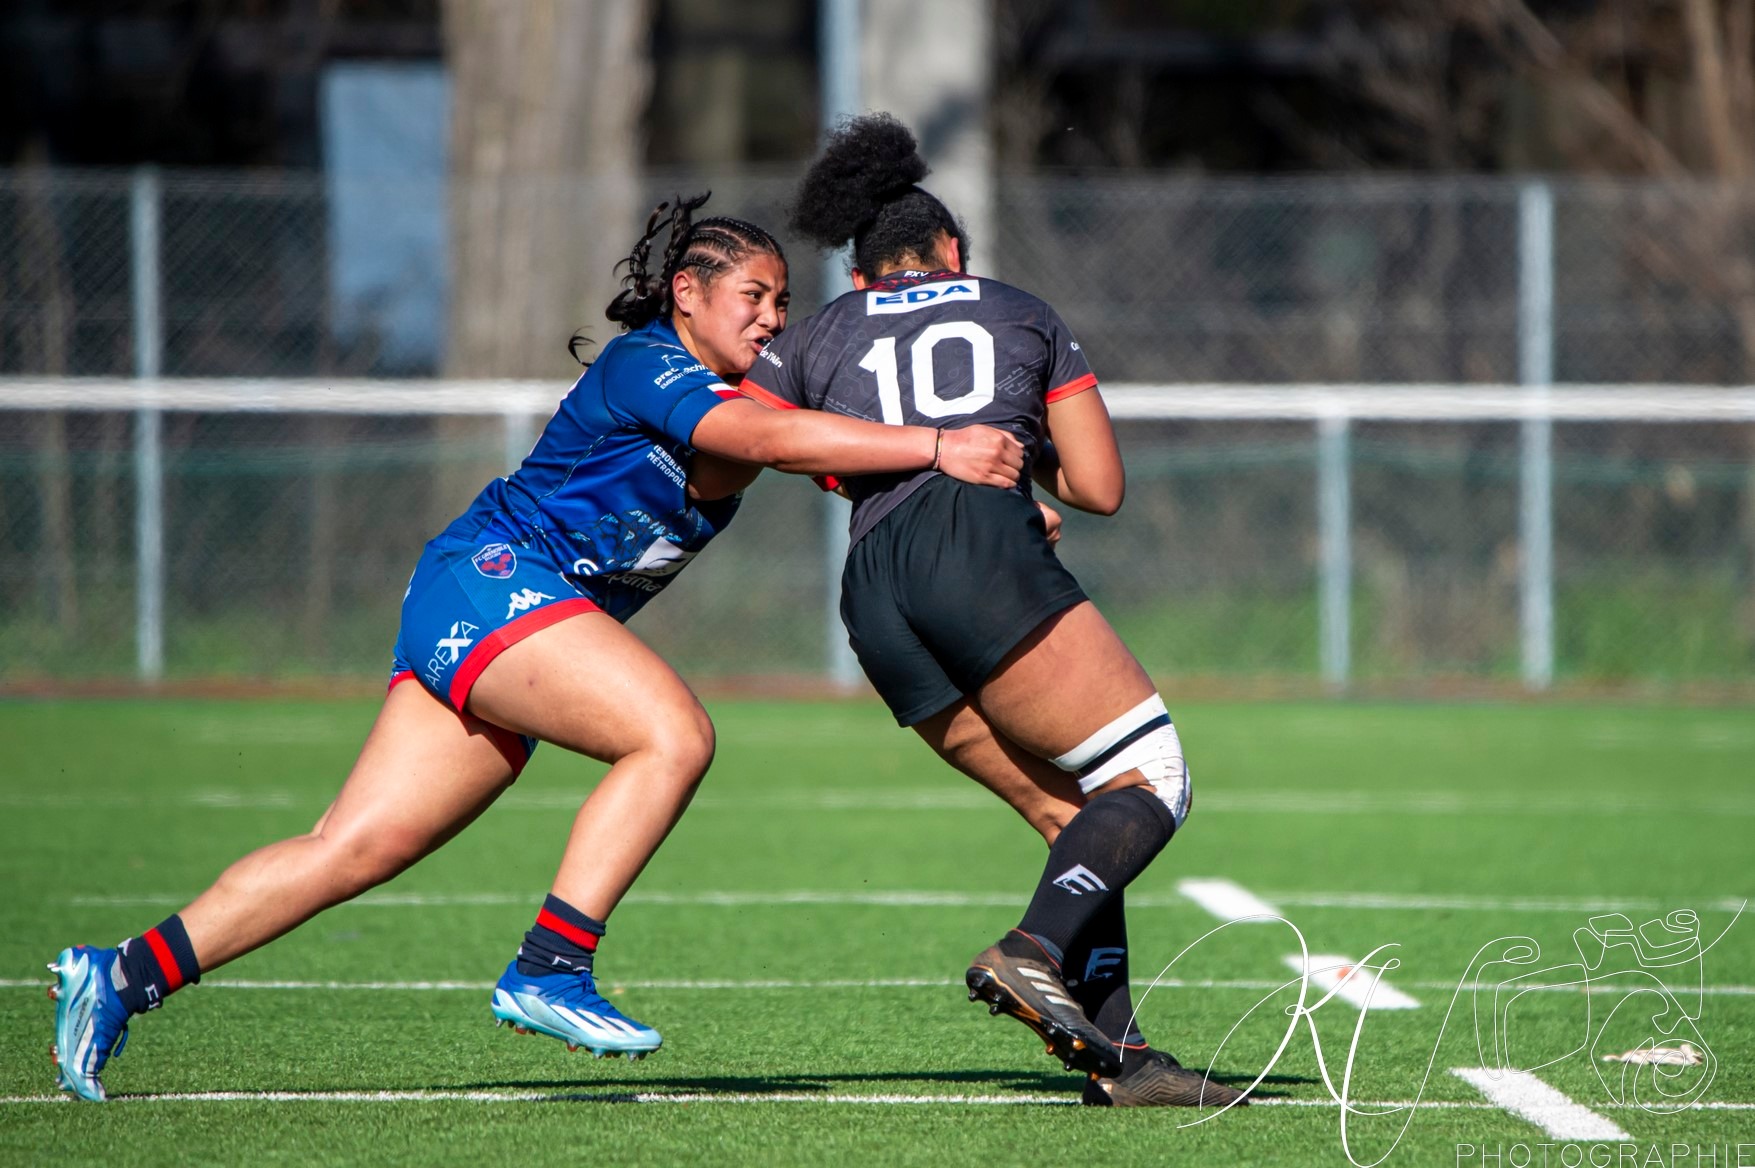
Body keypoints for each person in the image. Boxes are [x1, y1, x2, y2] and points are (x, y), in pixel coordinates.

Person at [46, 193, 1025, 1103]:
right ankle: (552, 963)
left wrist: (997, 502)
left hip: (492, 607)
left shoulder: (744, 406)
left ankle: (121, 974)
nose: (773, 315)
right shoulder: (653, 362)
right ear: (687, 294)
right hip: (490, 578)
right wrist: (942, 448)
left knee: (351, 848)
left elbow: (816, 453)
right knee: (671, 734)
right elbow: (769, 441)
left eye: (783, 300)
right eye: (753, 295)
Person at [741, 114, 1248, 1109]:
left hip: (875, 591)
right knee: (1156, 775)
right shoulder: (1019, 310)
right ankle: (1030, 947)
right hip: (980, 557)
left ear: (859, 271)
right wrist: (1018, 465)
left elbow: (769, 441)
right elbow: (1100, 487)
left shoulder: (818, 333)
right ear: (953, 253)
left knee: (1070, 813)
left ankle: (1125, 1061)